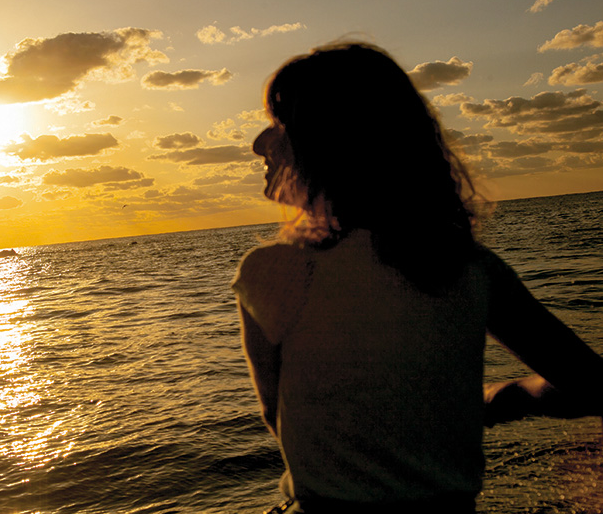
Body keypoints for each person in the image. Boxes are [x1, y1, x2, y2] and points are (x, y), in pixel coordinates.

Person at [231, 42, 603, 513]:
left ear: (335, 143)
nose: (260, 144)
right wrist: (503, 398)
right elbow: (590, 384)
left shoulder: (274, 271)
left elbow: (281, 419)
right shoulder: (471, 267)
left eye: (281, 124)